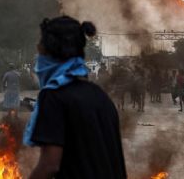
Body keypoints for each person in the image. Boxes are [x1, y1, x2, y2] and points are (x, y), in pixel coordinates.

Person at [24, 16, 127, 179]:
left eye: (40, 50)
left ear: (50, 53)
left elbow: (49, 165)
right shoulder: (100, 96)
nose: (38, 57)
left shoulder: (54, 97)